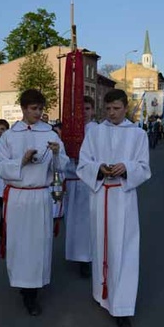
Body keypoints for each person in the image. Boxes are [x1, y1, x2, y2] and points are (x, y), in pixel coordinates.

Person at [77, 89, 151, 327]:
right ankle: (102, 293)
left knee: (124, 250)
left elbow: (143, 167)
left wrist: (126, 167)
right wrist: (99, 168)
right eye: (108, 109)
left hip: (124, 197)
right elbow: (83, 163)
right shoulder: (95, 132)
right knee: (101, 246)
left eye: (117, 108)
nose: (112, 113)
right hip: (100, 196)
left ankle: (122, 306)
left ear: (126, 107)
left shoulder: (138, 134)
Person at [0, 89, 69, 316]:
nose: (38, 113)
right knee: (19, 244)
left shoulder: (51, 134)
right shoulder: (9, 135)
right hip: (17, 196)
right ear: (23, 108)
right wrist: (21, 162)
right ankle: (22, 283)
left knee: (38, 243)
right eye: (33, 109)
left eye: (40, 108)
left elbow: (61, 168)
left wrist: (56, 154)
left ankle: (33, 292)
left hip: (40, 196)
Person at [64, 96, 99, 278]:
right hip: (72, 181)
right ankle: (77, 254)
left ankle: (88, 257)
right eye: (80, 109)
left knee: (87, 222)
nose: (83, 113)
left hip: (88, 183)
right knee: (73, 222)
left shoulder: (97, 131)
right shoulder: (70, 130)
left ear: (92, 110)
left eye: (86, 109)